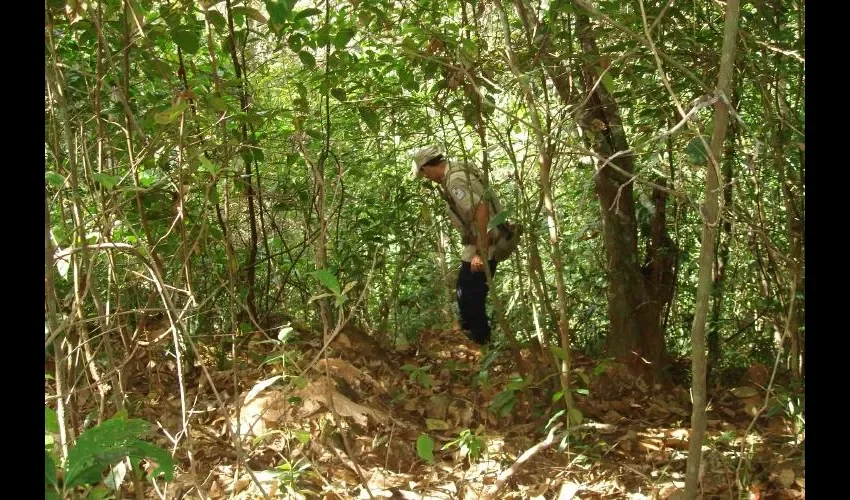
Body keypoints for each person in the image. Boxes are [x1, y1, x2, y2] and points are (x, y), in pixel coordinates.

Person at [410, 145, 505, 345]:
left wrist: (480, 252)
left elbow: (480, 211)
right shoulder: (458, 171)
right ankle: (476, 338)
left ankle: (481, 342)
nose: (426, 178)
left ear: (427, 167)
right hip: (484, 238)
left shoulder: (454, 181)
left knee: (471, 294)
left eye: (424, 173)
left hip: (486, 240)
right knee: (466, 290)